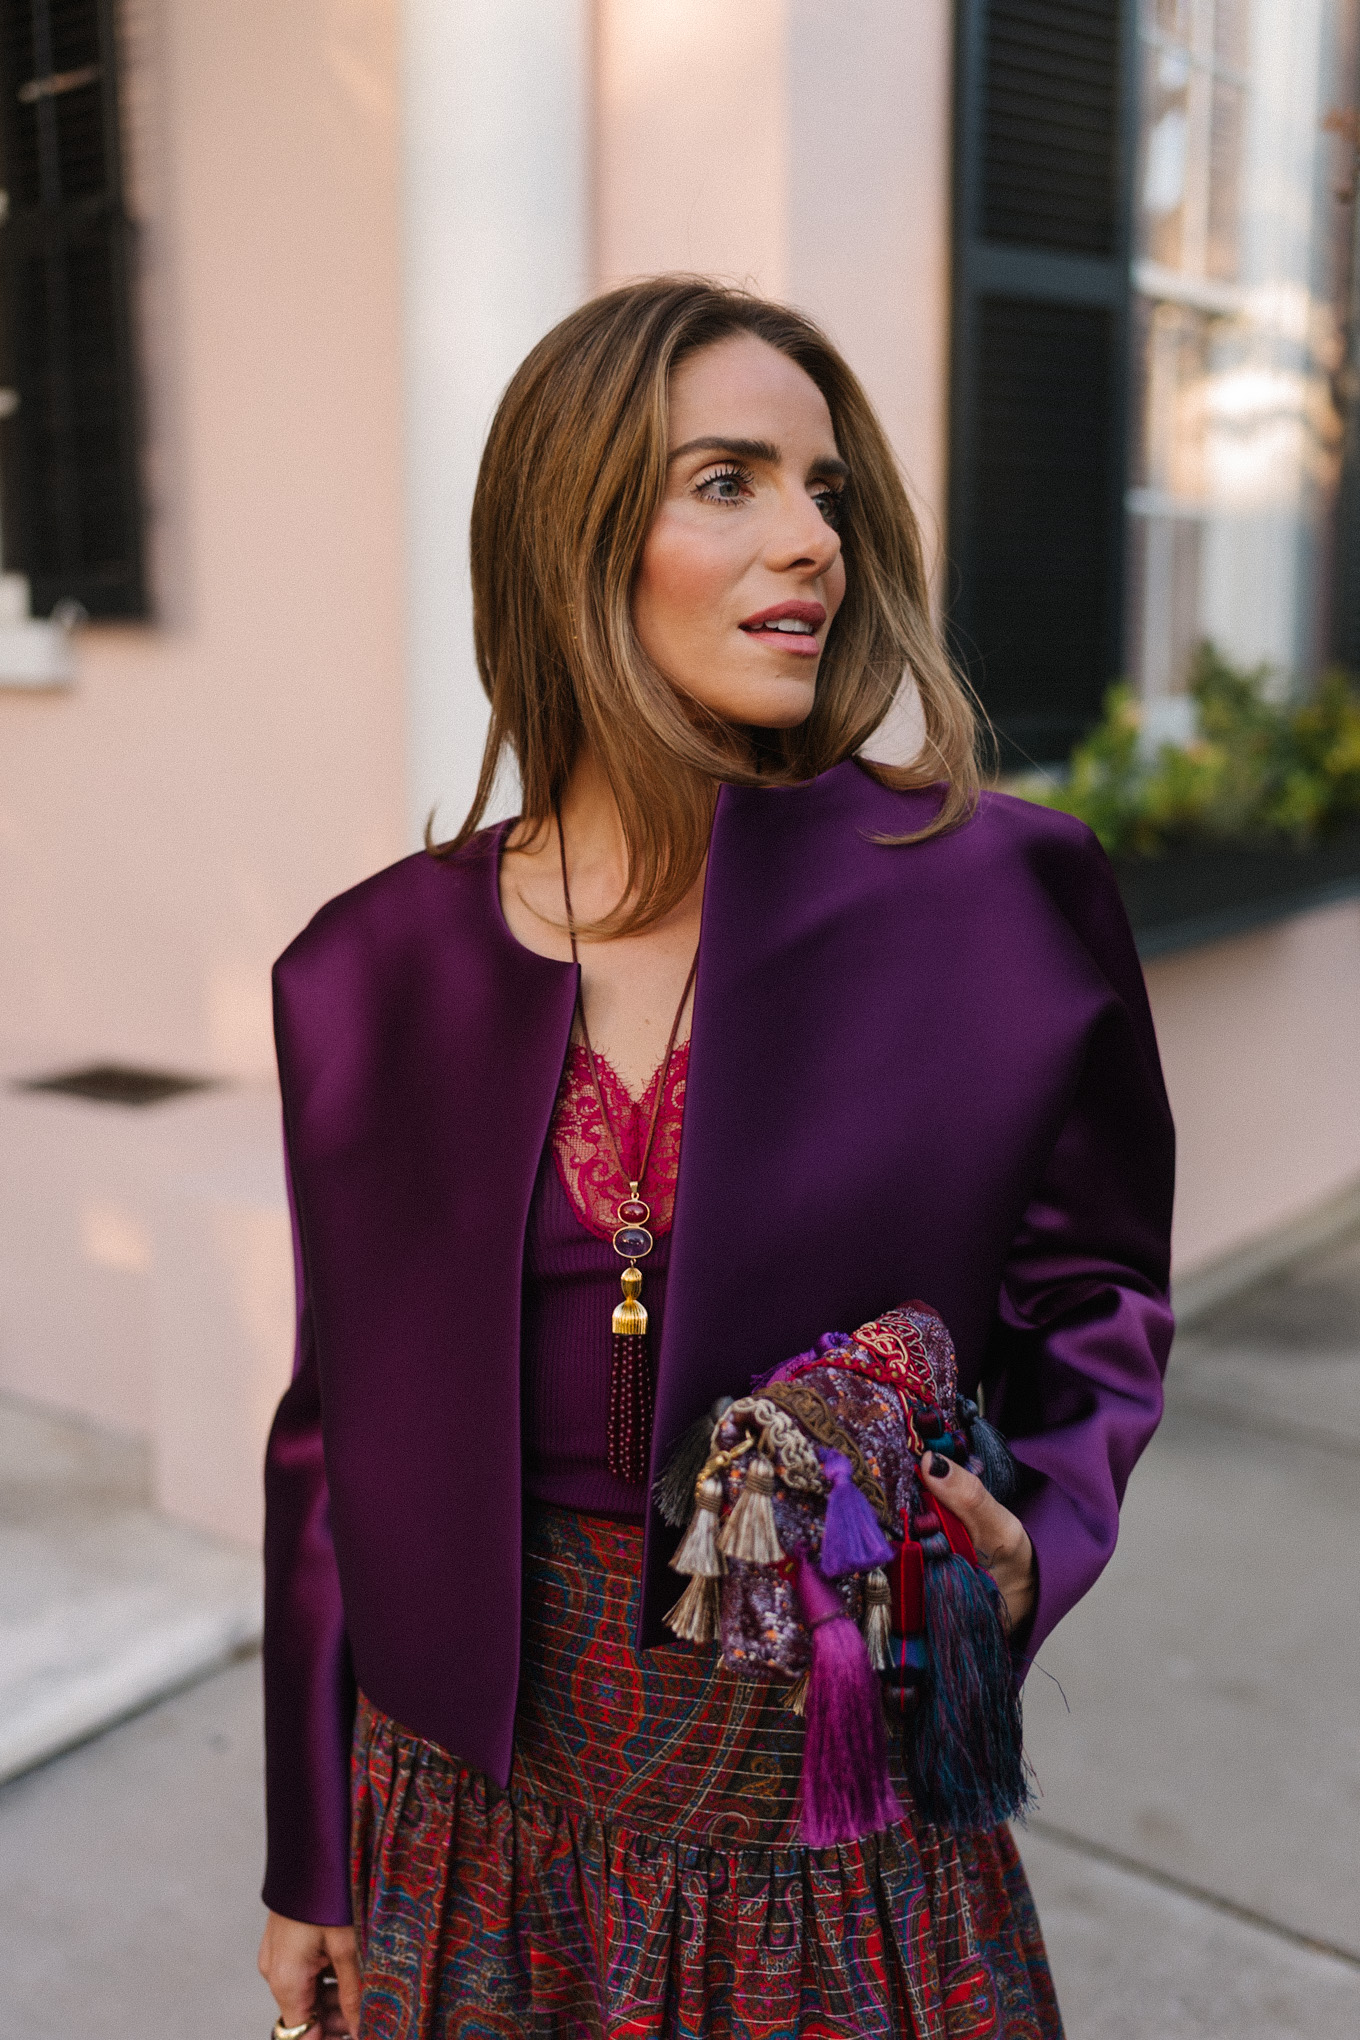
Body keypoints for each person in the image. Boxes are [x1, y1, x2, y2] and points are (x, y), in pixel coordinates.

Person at [257, 276, 1174, 2040]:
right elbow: (330, 1430)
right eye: (729, 481)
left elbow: (1098, 1295)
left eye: (828, 490)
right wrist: (311, 1849)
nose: (813, 539)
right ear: (573, 535)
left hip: (830, 1832)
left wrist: (1038, 1542)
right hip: (463, 1834)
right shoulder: (366, 971)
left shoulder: (1003, 898)